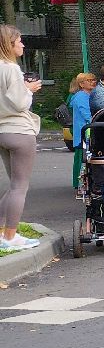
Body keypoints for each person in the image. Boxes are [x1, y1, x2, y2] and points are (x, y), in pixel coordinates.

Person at [0, 26, 43, 250]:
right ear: (10, 44)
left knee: (13, 185)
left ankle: (1, 233)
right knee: (19, 187)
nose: (23, 45)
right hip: (19, 130)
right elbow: (20, 103)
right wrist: (29, 90)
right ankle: (10, 238)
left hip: (1, 132)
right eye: (19, 41)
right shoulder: (11, 69)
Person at [68, 72, 97, 192]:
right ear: (81, 84)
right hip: (83, 133)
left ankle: (80, 182)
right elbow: (87, 115)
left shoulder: (88, 95)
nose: (93, 82)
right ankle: (80, 183)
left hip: (86, 132)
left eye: (94, 80)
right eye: (89, 80)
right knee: (82, 158)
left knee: (81, 157)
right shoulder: (81, 97)